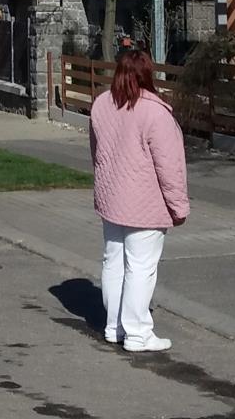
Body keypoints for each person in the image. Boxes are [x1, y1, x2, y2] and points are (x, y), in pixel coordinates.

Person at [89, 47, 189, 354]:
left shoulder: (101, 105)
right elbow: (169, 166)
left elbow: (97, 153)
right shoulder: (155, 112)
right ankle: (137, 332)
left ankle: (114, 326)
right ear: (148, 73)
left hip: (111, 198)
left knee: (114, 262)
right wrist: (179, 206)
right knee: (141, 267)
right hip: (145, 203)